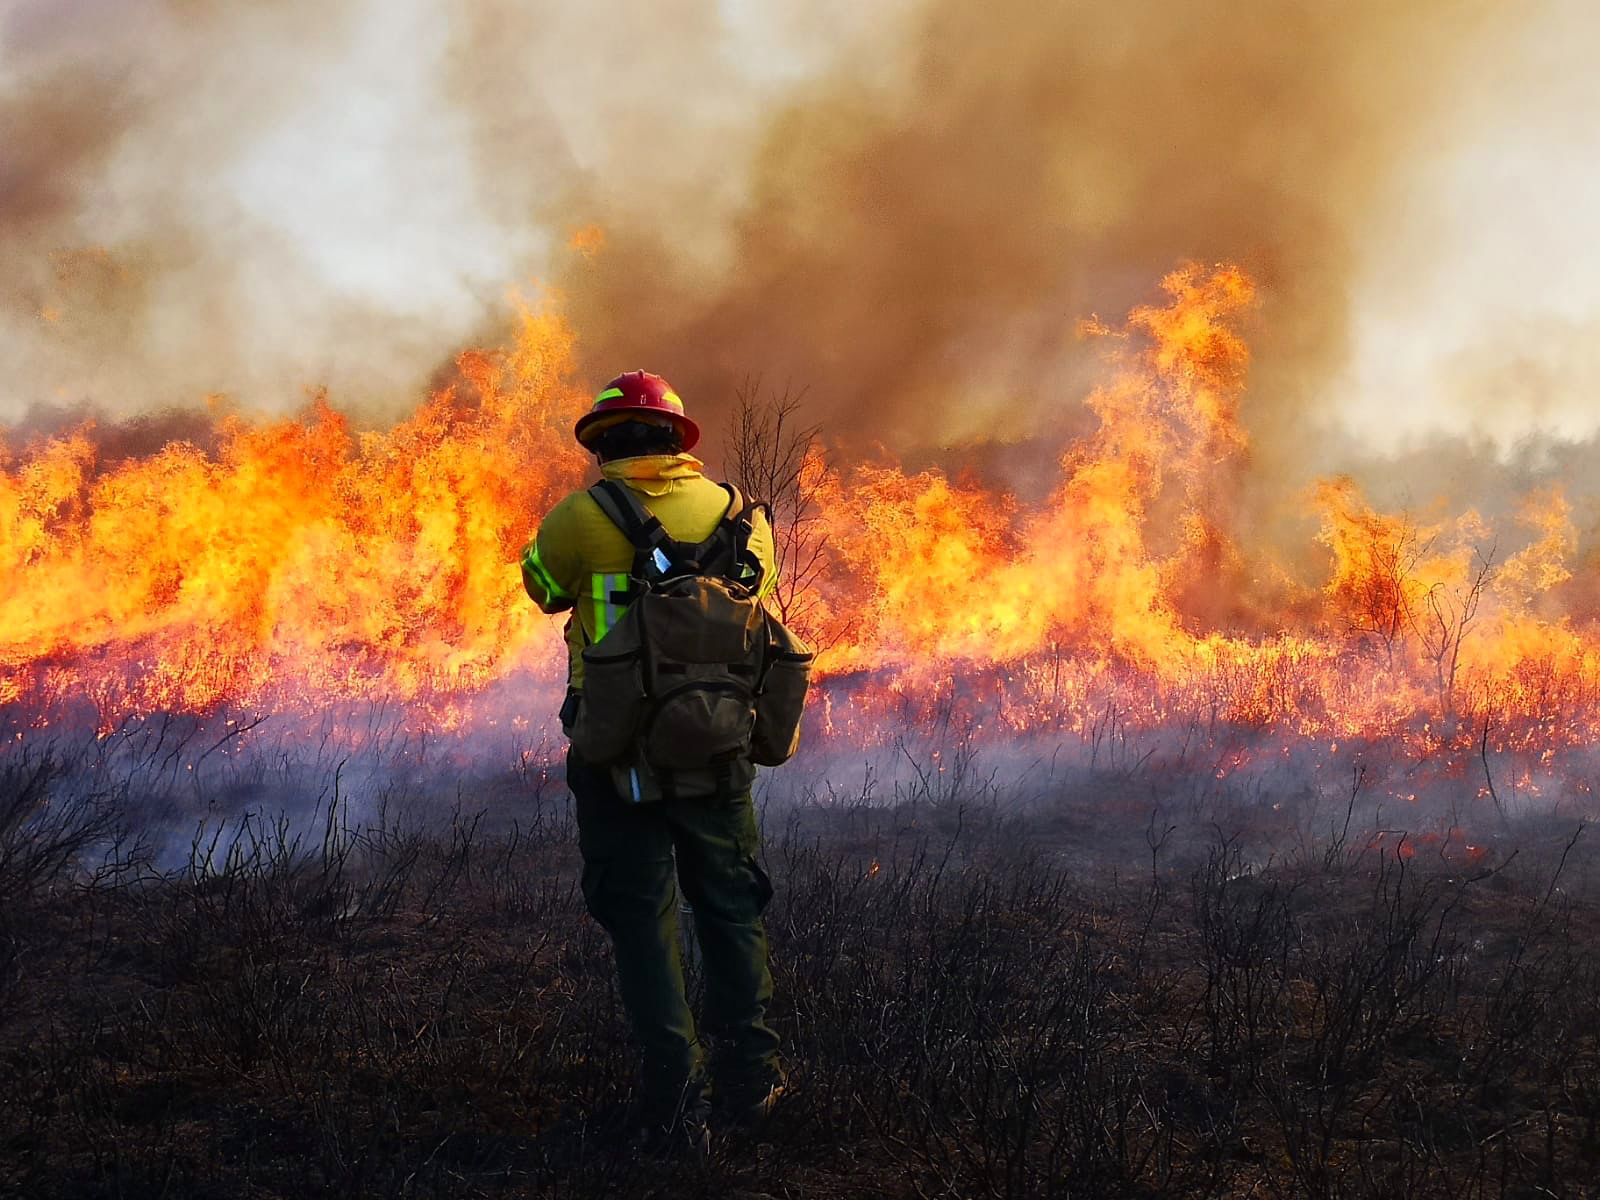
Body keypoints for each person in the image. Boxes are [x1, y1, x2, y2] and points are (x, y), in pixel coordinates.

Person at [519, 370, 785, 1145]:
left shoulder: (580, 516)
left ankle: (674, 1095)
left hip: (615, 752)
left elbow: (540, 589)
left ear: (604, 444)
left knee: (641, 917)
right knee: (731, 908)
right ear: (678, 440)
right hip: (720, 744)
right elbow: (756, 589)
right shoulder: (742, 515)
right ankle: (753, 1082)